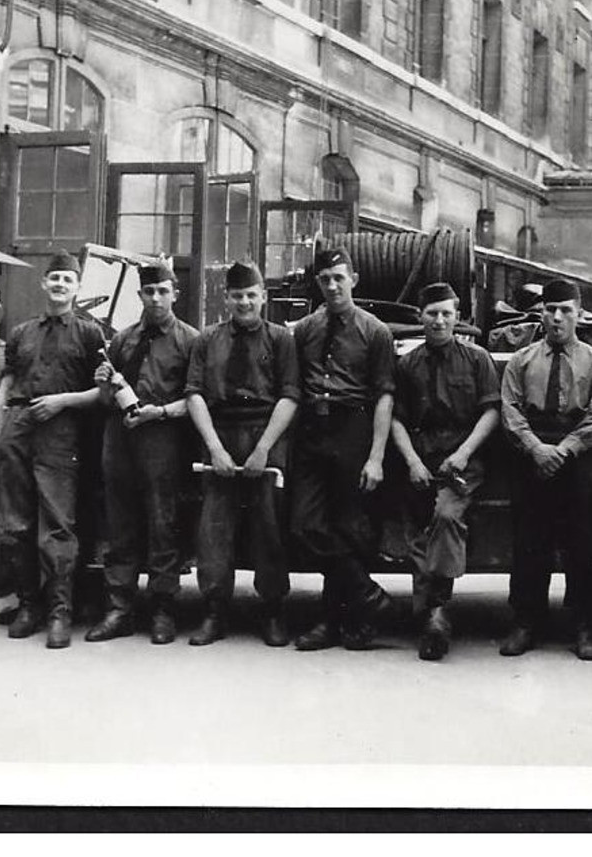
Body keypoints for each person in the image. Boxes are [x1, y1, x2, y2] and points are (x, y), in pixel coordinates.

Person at [0, 250, 105, 649]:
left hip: (61, 431)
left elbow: (103, 392)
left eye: (67, 280)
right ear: (44, 283)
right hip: (19, 428)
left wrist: (63, 402)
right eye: (53, 278)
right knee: (14, 524)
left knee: (57, 525)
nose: (59, 285)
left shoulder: (90, 334)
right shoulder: (21, 333)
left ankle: (60, 613)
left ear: (77, 288)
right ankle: (27, 606)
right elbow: (4, 390)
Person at [497, 278, 592, 660]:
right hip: (532, 452)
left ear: (579, 314)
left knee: (582, 541)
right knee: (530, 541)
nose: (557, 317)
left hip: (577, 453)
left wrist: (563, 450)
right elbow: (510, 409)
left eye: (566, 309)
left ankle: (585, 625)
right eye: (550, 309)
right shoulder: (521, 360)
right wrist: (536, 449)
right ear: (541, 313)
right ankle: (526, 622)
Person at [184, 261, 302, 646]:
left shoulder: (281, 339)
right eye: (237, 296)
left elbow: (289, 396)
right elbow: (195, 394)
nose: (245, 302)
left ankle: (272, 610)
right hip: (220, 434)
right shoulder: (207, 340)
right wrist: (215, 448)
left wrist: (264, 449)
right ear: (226, 298)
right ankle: (215, 611)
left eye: (252, 295)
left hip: (266, 433)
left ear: (264, 297)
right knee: (213, 530)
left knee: (269, 528)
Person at [84, 263, 200, 645]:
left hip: (163, 440)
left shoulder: (189, 341)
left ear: (175, 293)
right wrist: (103, 383)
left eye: (162, 291)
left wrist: (160, 412)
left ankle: (163, 608)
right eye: (148, 292)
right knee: (120, 523)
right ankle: (119, 608)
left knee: (162, 521)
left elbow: (198, 401)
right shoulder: (123, 340)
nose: (155, 298)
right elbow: (106, 398)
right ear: (139, 296)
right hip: (120, 440)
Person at [289, 248, 397, 651]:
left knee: (349, 529)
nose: (332, 286)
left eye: (338, 277)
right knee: (305, 525)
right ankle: (368, 597)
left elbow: (385, 396)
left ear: (354, 278)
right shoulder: (305, 329)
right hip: (313, 430)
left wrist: (375, 456)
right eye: (324, 280)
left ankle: (335, 621)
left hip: (354, 428)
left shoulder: (375, 331)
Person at [388, 282, 501, 661]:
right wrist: (413, 462)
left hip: (462, 463)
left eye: (446, 314)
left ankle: (437, 608)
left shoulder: (477, 359)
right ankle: (429, 616)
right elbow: (397, 420)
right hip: (421, 459)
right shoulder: (407, 365)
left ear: (457, 318)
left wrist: (464, 454)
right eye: (432, 314)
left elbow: (491, 412)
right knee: (416, 528)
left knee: (446, 515)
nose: (439, 321)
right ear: (420, 318)